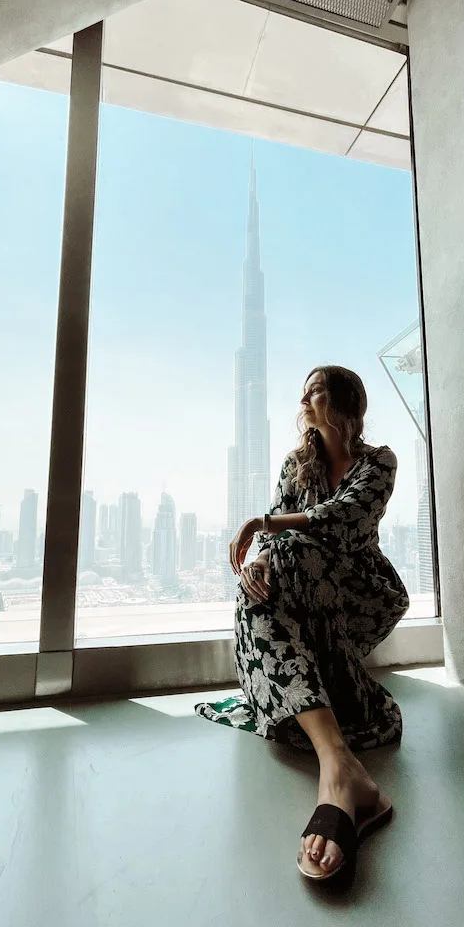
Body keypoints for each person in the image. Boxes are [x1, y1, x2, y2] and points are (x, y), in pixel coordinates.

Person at [195, 366, 409, 881]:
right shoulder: (298, 465)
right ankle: (338, 767)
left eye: (314, 388)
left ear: (342, 399)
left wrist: (264, 528)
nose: (303, 397)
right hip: (305, 594)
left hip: (358, 595)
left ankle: (338, 770)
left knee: (289, 552)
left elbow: (346, 520)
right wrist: (260, 558)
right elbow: (279, 526)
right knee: (255, 587)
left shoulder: (378, 462)